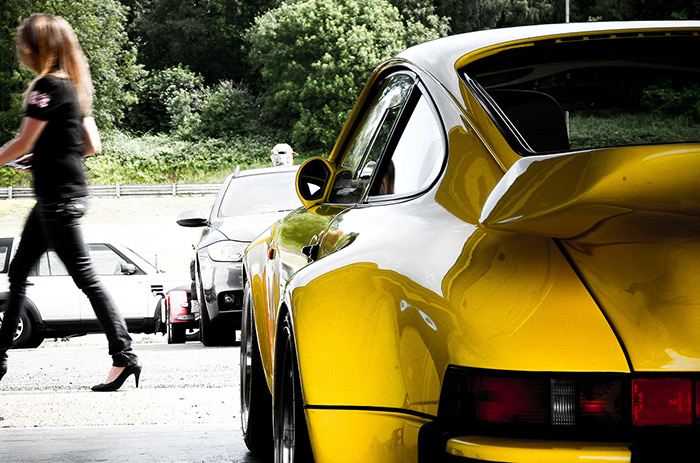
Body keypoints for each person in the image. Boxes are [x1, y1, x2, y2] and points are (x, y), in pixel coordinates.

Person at [0, 14, 140, 391]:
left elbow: (22, 142)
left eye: (25, 43)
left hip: (56, 202)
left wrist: (31, 154)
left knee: (87, 281)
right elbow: (91, 144)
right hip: (61, 197)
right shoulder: (75, 87)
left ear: (37, 47)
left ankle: (125, 356)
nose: (21, 50)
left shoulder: (45, 87)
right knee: (18, 275)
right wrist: (44, 157)